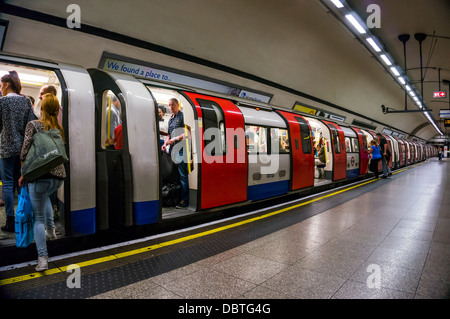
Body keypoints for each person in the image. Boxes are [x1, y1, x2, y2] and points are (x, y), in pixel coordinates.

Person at [19, 93, 66, 271]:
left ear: (42, 108)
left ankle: (42, 258)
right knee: (45, 197)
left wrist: (23, 174)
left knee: (37, 218)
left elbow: (24, 153)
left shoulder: (34, 125)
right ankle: (52, 232)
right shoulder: (59, 128)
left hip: (40, 177)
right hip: (58, 177)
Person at [0, 71, 35, 232]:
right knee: (22, 184)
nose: (1, 88)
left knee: (7, 184)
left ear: (7, 84)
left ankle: (9, 221)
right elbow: (31, 126)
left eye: (1, 84)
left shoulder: (1, 102)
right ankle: (24, 218)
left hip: (6, 148)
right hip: (23, 149)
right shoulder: (26, 101)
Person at [161, 98, 189, 209]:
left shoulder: (182, 116)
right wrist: (166, 143)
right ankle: (176, 198)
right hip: (172, 149)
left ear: (177, 105)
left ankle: (185, 200)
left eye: (172, 105)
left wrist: (175, 139)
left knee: (183, 176)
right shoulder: (171, 119)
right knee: (175, 176)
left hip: (181, 150)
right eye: (169, 105)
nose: (171, 107)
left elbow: (187, 133)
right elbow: (169, 134)